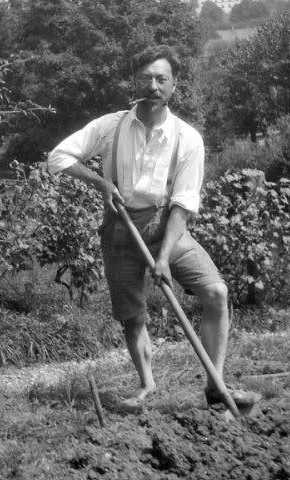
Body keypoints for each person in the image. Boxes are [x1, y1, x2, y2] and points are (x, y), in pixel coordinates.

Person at [47, 45, 260, 409]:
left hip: (166, 228)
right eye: (146, 78)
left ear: (174, 85)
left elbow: (184, 202)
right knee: (133, 316)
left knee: (216, 293)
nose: (154, 86)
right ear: (134, 81)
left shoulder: (187, 138)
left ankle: (215, 386)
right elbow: (58, 157)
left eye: (162, 79)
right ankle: (147, 387)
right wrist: (99, 182)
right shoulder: (111, 126)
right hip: (120, 228)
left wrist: (163, 258)